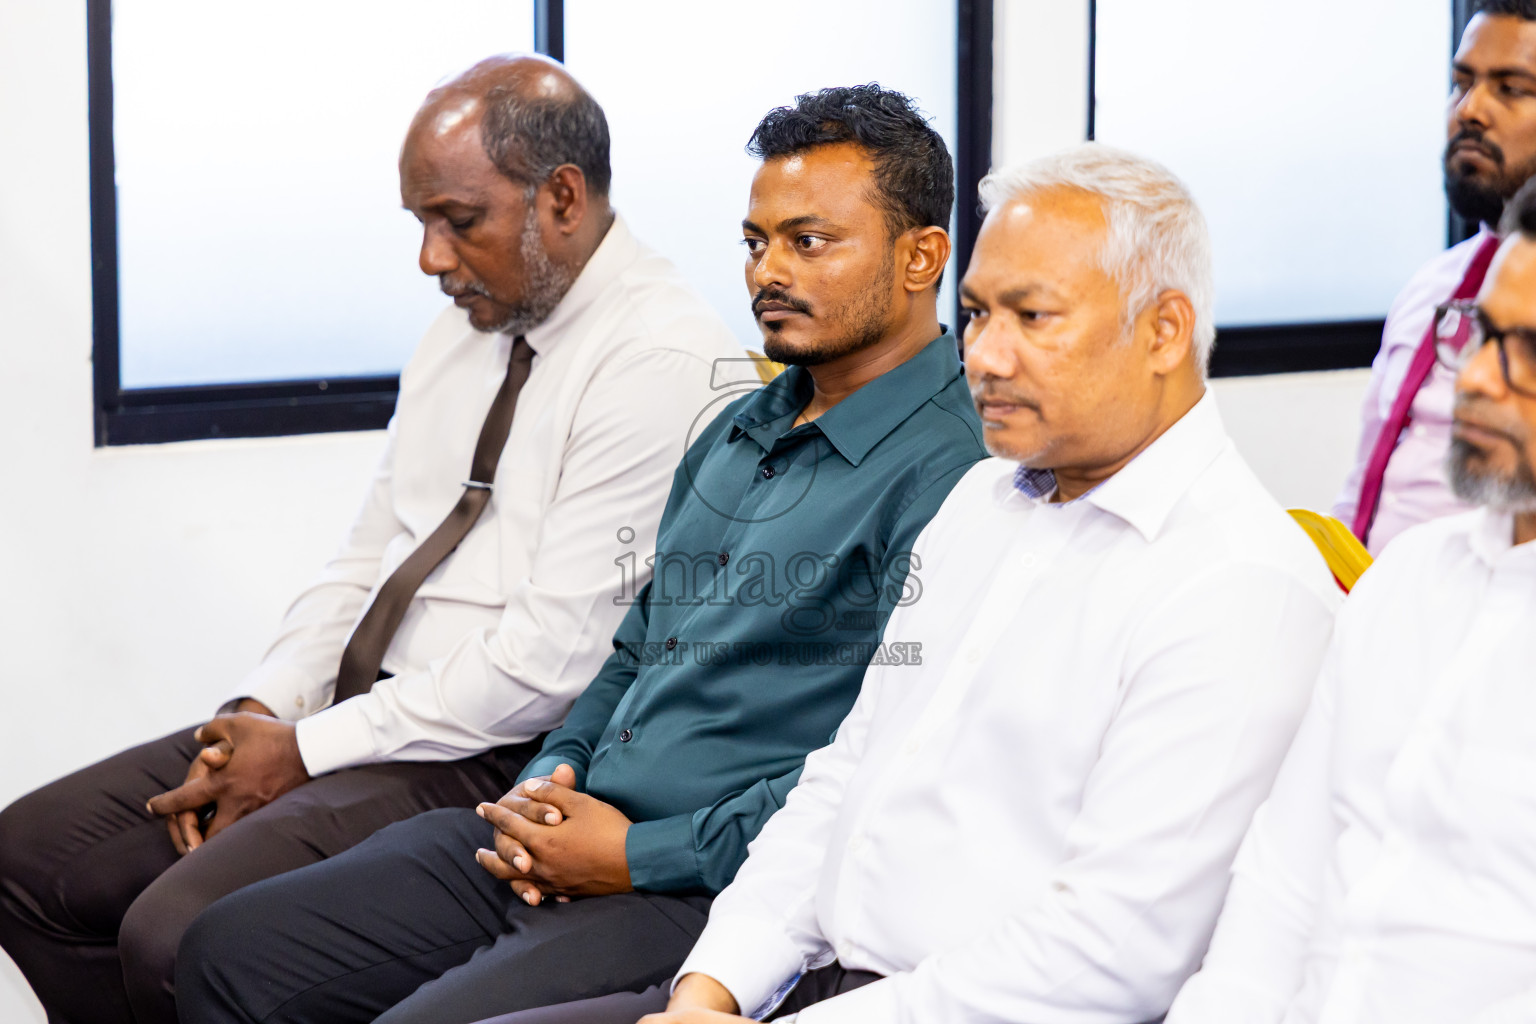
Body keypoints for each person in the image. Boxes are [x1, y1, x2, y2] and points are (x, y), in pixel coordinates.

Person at [462, 144, 1343, 1024]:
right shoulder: (985, 501)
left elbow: (1107, 956)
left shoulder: (1239, 587)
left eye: (1033, 318)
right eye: (977, 314)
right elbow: (842, 782)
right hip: (808, 976)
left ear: (1164, 331)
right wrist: (712, 989)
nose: (987, 358)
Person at [173, 83, 988, 1024]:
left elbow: (876, 772)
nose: (769, 270)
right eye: (756, 242)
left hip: (697, 887)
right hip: (564, 826)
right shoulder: (736, 428)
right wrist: (544, 785)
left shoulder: (957, 474)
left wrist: (638, 855)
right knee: (226, 951)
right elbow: (633, 655)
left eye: (810, 242)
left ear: (923, 256)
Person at [0, 55, 742, 1024]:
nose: (431, 258)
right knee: (31, 855)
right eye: (419, 223)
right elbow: (370, 550)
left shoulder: (663, 359)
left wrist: (304, 750)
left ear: (561, 197)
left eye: (457, 220)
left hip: (485, 747)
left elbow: (554, 663)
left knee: (172, 932)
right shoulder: (468, 325)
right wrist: (264, 708)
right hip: (357, 712)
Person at [1166, 178, 1536, 1024]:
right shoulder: (1409, 582)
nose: (1475, 379)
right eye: (1480, 335)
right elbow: (1280, 889)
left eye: (1529, 349)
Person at [1335, 0, 1536, 553]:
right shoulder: (1431, 286)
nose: (1470, 110)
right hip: (1367, 601)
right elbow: (1367, 485)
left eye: (1511, 88)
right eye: (1461, 83)